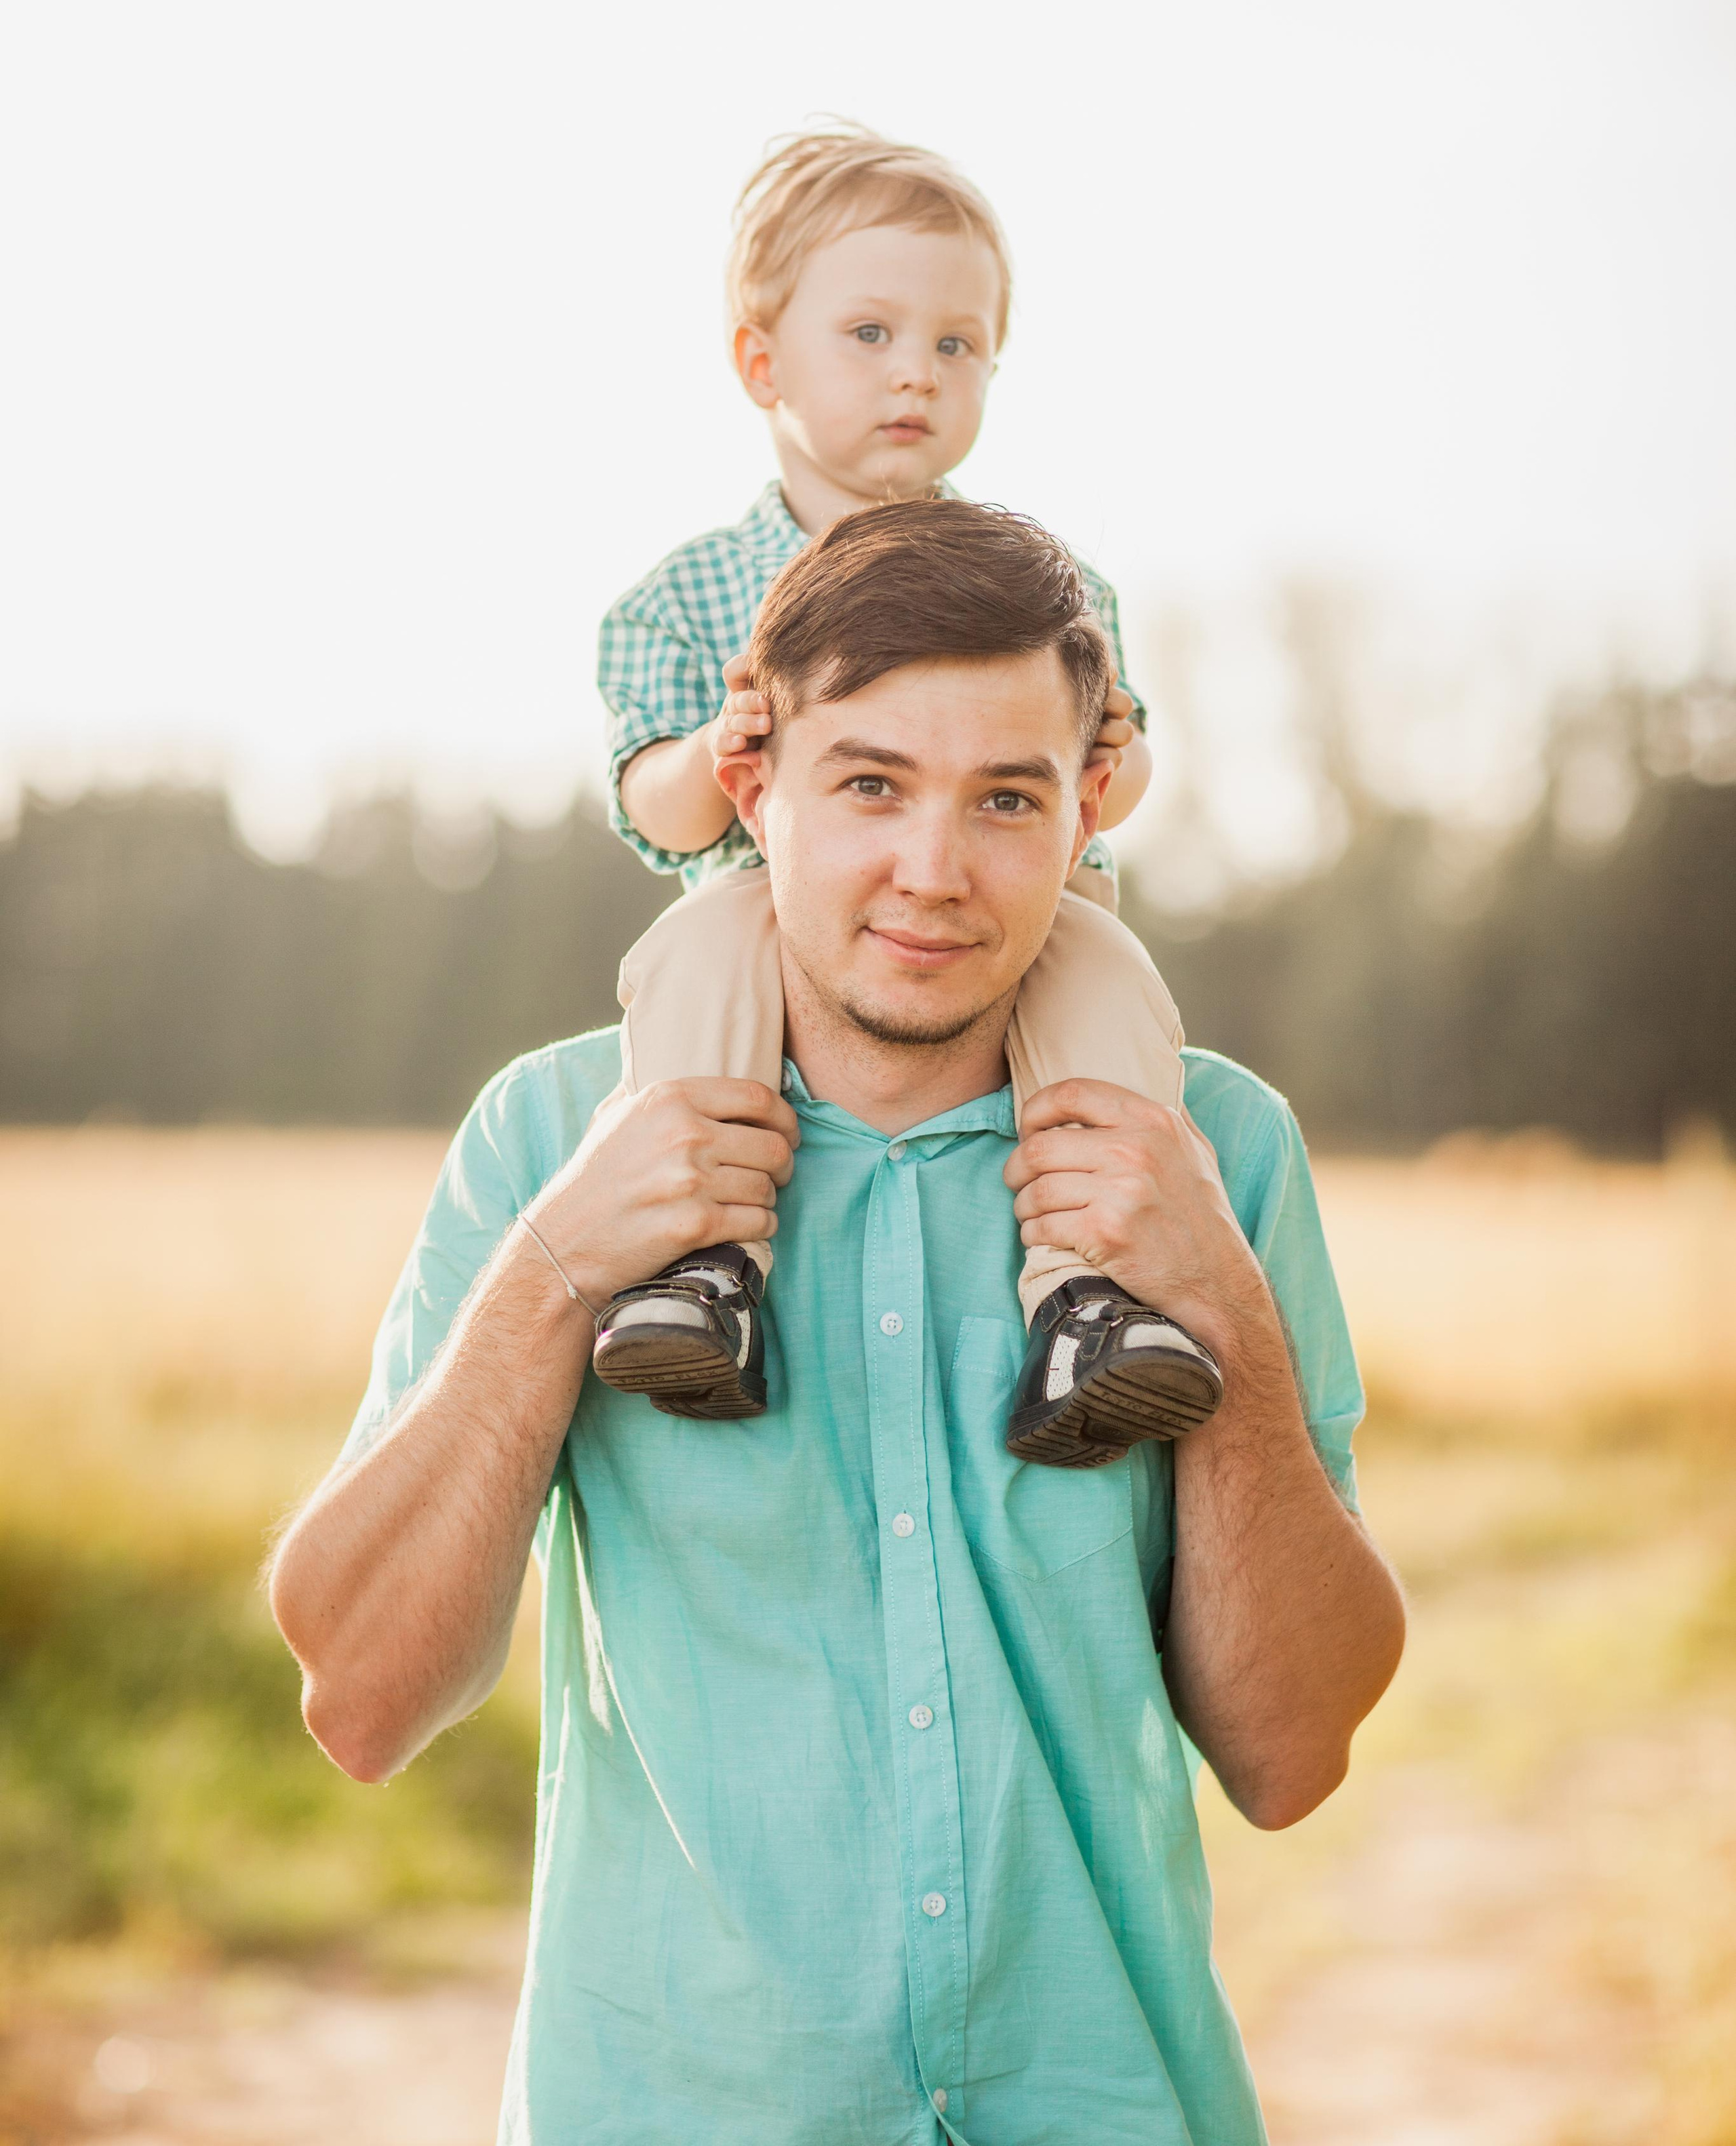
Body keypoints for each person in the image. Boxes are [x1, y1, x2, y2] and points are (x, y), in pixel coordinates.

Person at [270, 497, 1406, 2146]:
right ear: (754, 788)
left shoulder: (1210, 1153)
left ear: (1086, 805)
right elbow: (362, 1705)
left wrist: (1219, 1310)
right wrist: (552, 1275)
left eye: (1004, 798)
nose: (932, 874)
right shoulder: (554, 1139)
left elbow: (1291, 1758)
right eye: (870, 784)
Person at [592, 125, 1221, 1467]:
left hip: (1015, 920)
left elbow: (1117, 782)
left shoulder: (1046, 588)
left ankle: (1089, 1301)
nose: (916, 374)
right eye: (870, 334)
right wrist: (718, 747)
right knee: (690, 956)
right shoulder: (690, 593)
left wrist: (1106, 745)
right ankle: (704, 1271)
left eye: (957, 344)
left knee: (1105, 973)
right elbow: (657, 811)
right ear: (761, 363)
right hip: (774, 916)